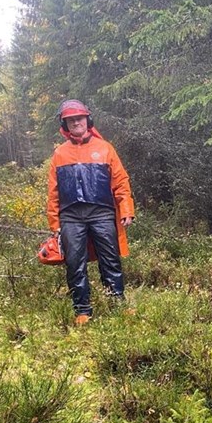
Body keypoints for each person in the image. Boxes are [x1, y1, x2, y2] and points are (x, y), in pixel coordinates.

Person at [47, 99, 134, 324]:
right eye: (71, 120)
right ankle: (82, 310)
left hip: (102, 212)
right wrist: (55, 224)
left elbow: (121, 181)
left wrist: (126, 208)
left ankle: (117, 303)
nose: (76, 122)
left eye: (79, 118)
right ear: (65, 124)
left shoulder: (105, 148)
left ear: (88, 119)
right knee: (74, 262)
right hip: (71, 216)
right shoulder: (59, 154)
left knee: (110, 259)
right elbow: (53, 192)